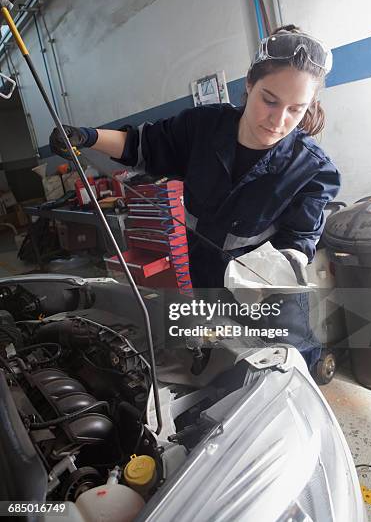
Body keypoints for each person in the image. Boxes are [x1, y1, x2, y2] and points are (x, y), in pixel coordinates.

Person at [49, 25, 341, 369]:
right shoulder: (203, 127)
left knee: (282, 367)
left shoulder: (313, 169)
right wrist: (85, 136)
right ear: (249, 84)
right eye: (270, 100)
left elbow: (301, 236)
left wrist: (277, 268)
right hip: (207, 274)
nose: (278, 121)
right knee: (222, 359)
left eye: (296, 109)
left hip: (271, 291)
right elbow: (142, 145)